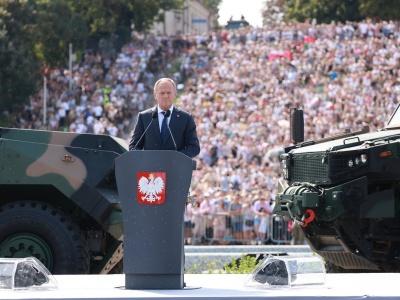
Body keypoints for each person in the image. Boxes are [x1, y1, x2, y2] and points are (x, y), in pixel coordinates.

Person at [129, 77, 200, 159]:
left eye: (169, 93)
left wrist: (174, 157)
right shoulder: (144, 117)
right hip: (150, 169)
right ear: (155, 95)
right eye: (162, 93)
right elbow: (134, 147)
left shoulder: (186, 118)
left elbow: (194, 148)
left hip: (176, 168)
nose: (166, 96)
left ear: (175, 94)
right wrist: (147, 159)